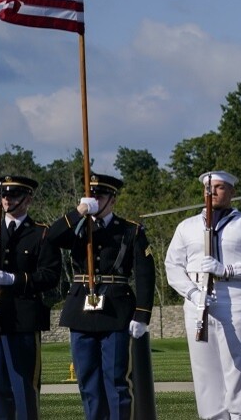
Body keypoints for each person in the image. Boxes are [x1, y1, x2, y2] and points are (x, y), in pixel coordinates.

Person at [164, 170, 241, 420]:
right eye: (209, 188)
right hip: (198, 301)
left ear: (232, 192)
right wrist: (192, 293)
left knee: (236, 366)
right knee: (205, 371)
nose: (213, 192)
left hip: (235, 298)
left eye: (219, 187)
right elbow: (172, 266)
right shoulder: (188, 227)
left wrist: (228, 270)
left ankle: (239, 416)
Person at [46, 174, 155, 420]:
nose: (95, 199)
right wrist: (79, 211)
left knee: (117, 380)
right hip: (80, 311)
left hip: (115, 311)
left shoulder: (130, 230)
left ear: (112, 200)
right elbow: (50, 237)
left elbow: (145, 274)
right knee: (87, 381)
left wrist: (142, 314)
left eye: (100, 196)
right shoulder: (78, 227)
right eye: (91, 195)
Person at [0, 176, 61, 420]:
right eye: (4, 195)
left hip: (23, 323)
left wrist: (15, 279)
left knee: (24, 388)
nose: (7, 199)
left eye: (13, 195)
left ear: (27, 199)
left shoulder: (42, 234)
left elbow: (51, 276)